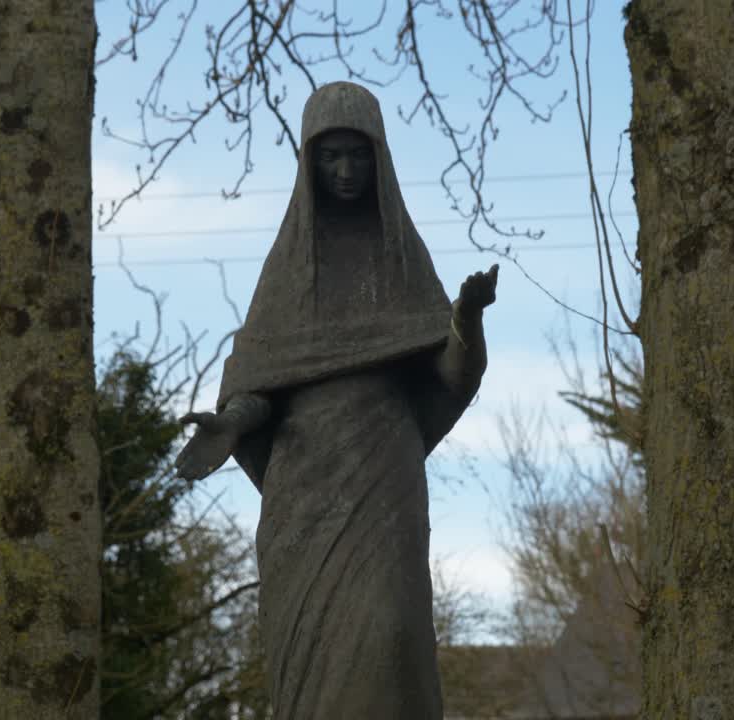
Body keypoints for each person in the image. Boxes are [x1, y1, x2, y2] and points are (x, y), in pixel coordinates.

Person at [174, 81, 497, 719]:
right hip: (303, 492)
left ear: (380, 158)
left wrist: (466, 321)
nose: (346, 170)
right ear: (308, 164)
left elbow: (450, 377)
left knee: (388, 632)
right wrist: (231, 421)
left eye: (358, 154)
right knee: (306, 659)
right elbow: (260, 385)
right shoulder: (288, 271)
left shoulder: (402, 263)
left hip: (383, 479)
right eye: (330, 157)